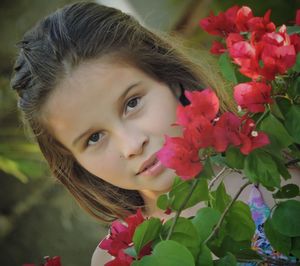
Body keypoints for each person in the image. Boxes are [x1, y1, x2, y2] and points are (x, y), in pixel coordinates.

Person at [10, 2, 299, 265]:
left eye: (132, 103)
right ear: (74, 161)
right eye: (94, 138)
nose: (132, 145)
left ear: (170, 81)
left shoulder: (275, 179)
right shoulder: (116, 257)